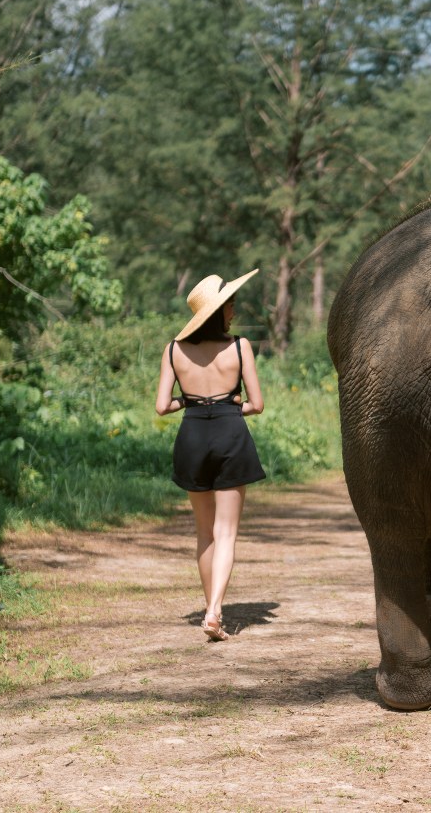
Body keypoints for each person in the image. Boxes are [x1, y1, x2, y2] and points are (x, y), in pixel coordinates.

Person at [155, 270, 266, 641]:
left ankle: (210, 608)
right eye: (230, 304)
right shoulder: (240, 347)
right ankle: (215, 611)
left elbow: (161, 406)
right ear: (219, 311)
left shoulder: (174, 349)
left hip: (191, 436)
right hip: (230, 433)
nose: (234, 309)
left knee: (205, 532)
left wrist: (188, 400)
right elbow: (257, 404)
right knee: (227, 532)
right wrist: (233, 405)